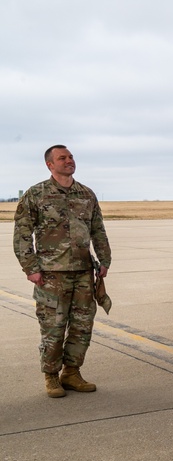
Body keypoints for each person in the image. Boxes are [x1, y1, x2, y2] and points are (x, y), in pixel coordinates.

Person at [13, 145, 112, 398]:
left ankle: (71, 372)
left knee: (82, 326)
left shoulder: (86, 194)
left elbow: (98, 229)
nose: (69, 161)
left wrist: (104, 260)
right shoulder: (36, 194)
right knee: (53, 328)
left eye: (70, 157)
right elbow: (23, 234)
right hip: (51, 275)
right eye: (62, 158)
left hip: (82, 272)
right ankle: (51, 376)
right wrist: (30, 268)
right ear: (50, 164)